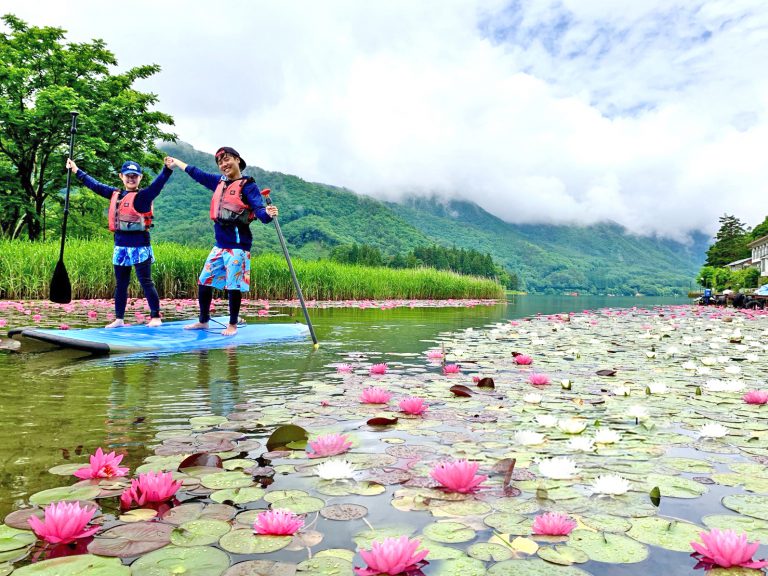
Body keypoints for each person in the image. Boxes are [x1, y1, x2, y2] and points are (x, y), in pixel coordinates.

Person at [165, 147, 277, 335]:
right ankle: (203, 321)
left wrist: (268, 213)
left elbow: (259, 211)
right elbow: (196, 173)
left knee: (233, 285)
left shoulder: (248, 186)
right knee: (204, 281)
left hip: (238, 246)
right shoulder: (219, 183)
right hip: (220, 245)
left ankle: (232, 325)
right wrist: (176, 162)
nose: (224, 164)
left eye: (227, 160)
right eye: (220, 162)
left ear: (238, 160)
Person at [66, 157, 174, 328]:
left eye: (135, 176)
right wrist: (76, 170)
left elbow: (157, 186)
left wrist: (167, 170)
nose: (131, 179)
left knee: (146, 281)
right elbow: (95, 185)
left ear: (140, 178)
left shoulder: (144, 196)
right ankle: (119, 319)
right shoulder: (114, 194)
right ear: (121, 176)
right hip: (121, 246)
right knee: (121, 284)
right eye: (128, 175)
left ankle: (155, 317)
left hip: (140, 246)